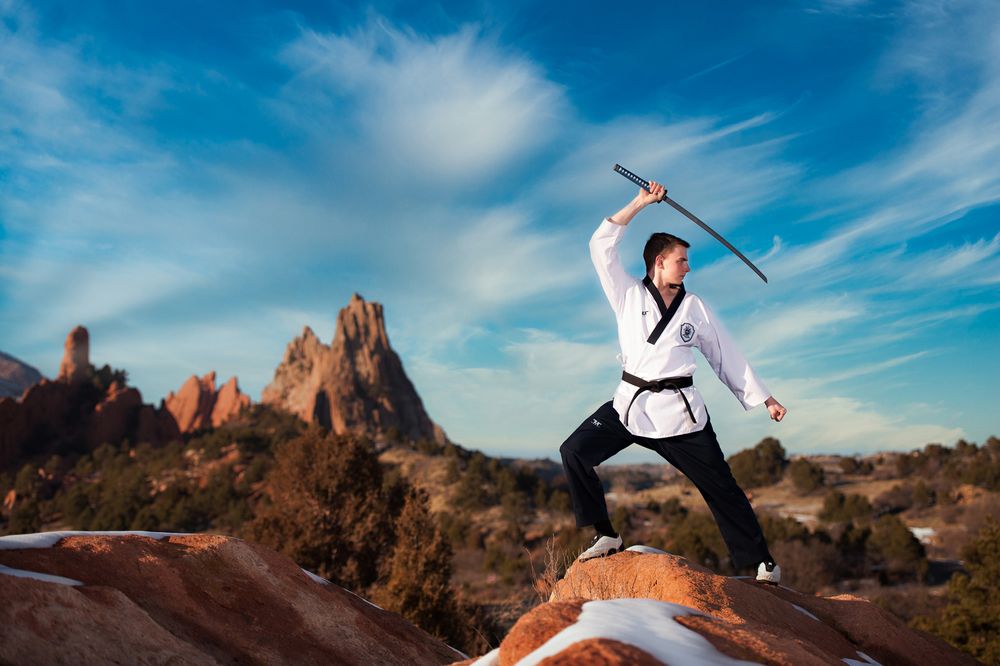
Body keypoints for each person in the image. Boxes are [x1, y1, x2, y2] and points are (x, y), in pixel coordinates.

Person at [559, 179, 788, 584]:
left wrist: (764, 397)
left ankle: (762, 563)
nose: (688, 267)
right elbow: (601, 245)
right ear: (659, 262)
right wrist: (642, 202)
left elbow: (724, 354)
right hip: (630, 404)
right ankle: (606, 534)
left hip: (680, 414)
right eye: (681, 260)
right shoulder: (626, 294)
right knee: (574, 451)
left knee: (722, 488)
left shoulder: (694, 306)